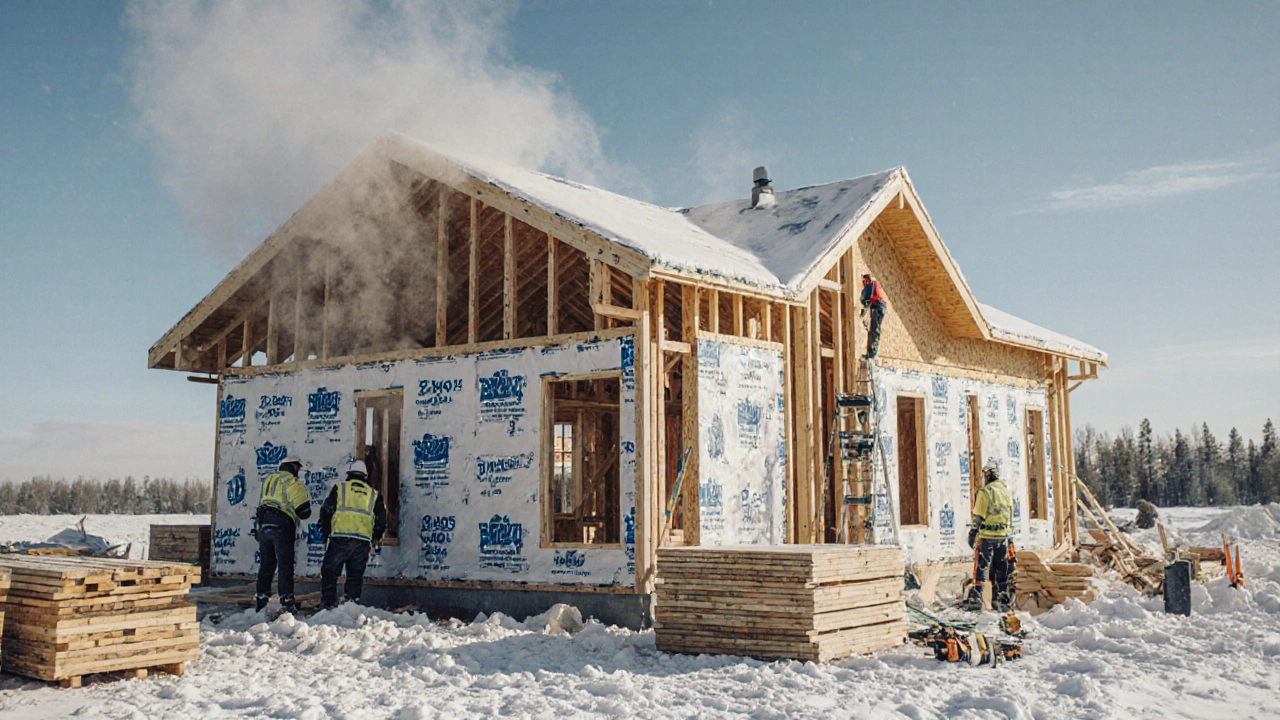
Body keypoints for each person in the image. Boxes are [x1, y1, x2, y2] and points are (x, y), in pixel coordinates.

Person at [319, 460, 387, 609]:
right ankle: (351, 605)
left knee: (330, 572)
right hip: (362, 541)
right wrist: (375, 536)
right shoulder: (373, 494)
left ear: (349, 474)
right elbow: (382, 519)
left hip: (341, 537)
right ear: (365, 476)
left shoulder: (341, 488)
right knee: (355, 575)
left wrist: (325, 532)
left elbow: (326, 510)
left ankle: (328, 604)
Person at [255, 456, 312, 613]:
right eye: (297, 469)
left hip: (264, 522)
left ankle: (261, 599)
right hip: (281, 523)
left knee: (266, 564)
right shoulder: (291, 481)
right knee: (285, 564)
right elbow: (304, 510)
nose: (298, 472)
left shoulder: (270, 479)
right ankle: (287, 601)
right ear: (293, 467)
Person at [964, 462, 1016, 612]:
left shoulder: (986, 492)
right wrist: (1009, 538)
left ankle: (976, 599)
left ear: (987, 475)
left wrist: (973, 533)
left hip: (987, 537)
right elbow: (1010, 515)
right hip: (1003, 537)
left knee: (981, 568)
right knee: (1002, 570)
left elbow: (978, 515)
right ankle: (1002, 599)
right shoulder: (1005, 492)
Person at [859, 274, 886, 359]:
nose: (863, 283)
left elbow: (866, 301)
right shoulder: (872, 285)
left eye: (864, 281)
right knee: (874, 329)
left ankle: (873, 353)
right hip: (877, 306)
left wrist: (862, 313)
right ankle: (871, 352)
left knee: (875, 329)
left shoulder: (871, 285)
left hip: (878, 307)